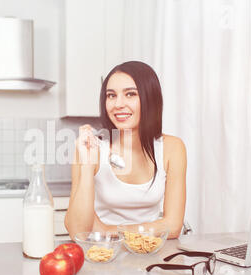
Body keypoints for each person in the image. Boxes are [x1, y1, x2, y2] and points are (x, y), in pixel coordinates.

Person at [65, 61, 187, 240]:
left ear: (150, 98)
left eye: (130, 94)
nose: (118, 104)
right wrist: (86, 164)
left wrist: (107, 230)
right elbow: (78, 232)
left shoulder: (173, 148)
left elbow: (174, 226)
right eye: (111, 95)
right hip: (103, 253)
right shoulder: (92, 148)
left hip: (149, 252)